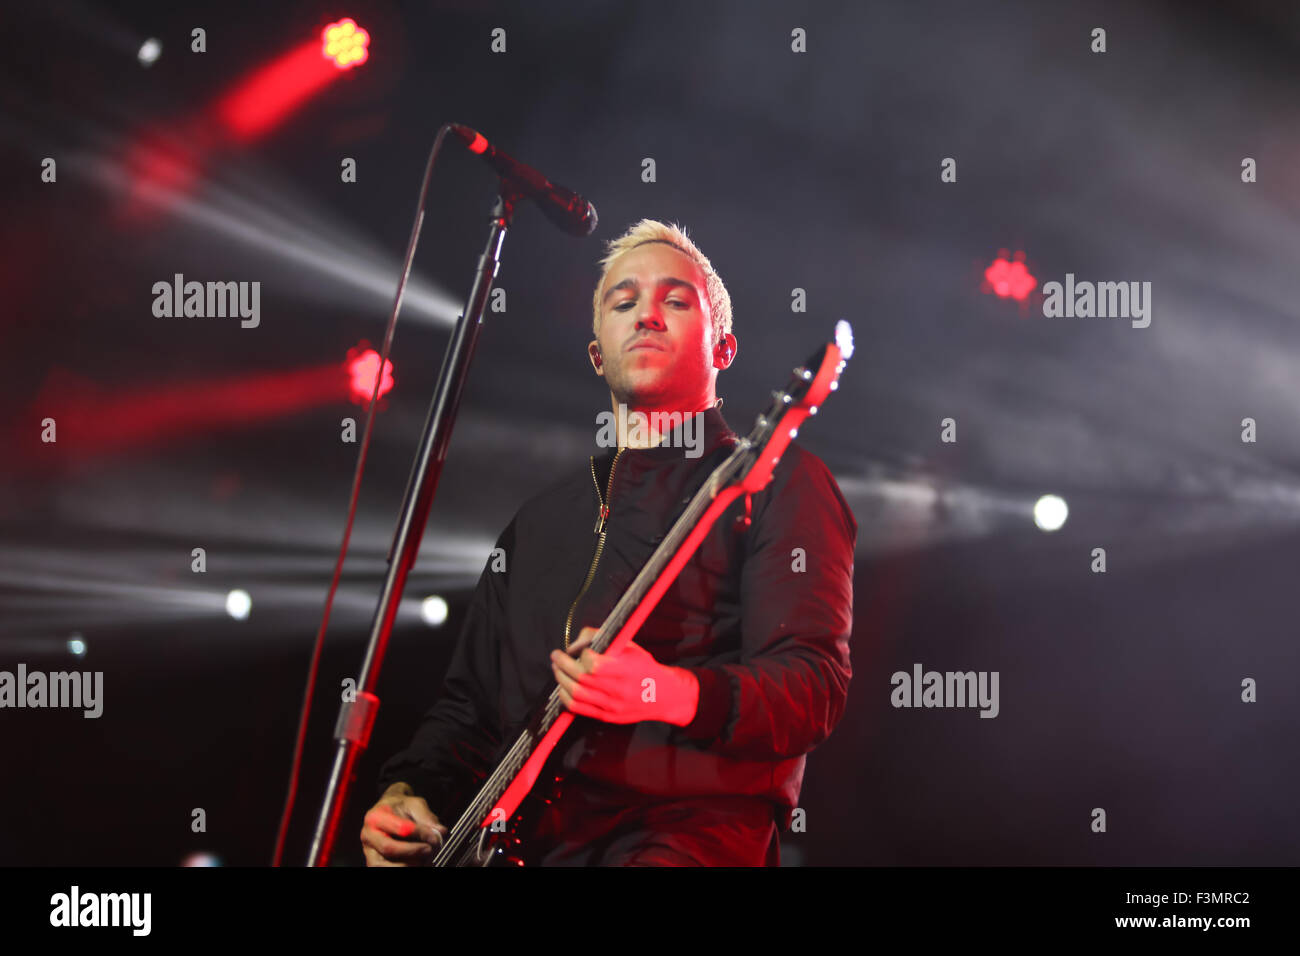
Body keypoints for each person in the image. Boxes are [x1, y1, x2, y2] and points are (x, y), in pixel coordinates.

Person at [360, 219, 856, 866]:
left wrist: (670, 693)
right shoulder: (538, 523)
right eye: (624, 302)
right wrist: (410, 792)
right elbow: (469, 707)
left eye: (676, 301)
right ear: (598, 352)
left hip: (685, 840)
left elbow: (812, 687)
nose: (647, 314)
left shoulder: (779, 482)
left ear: (723, 348)